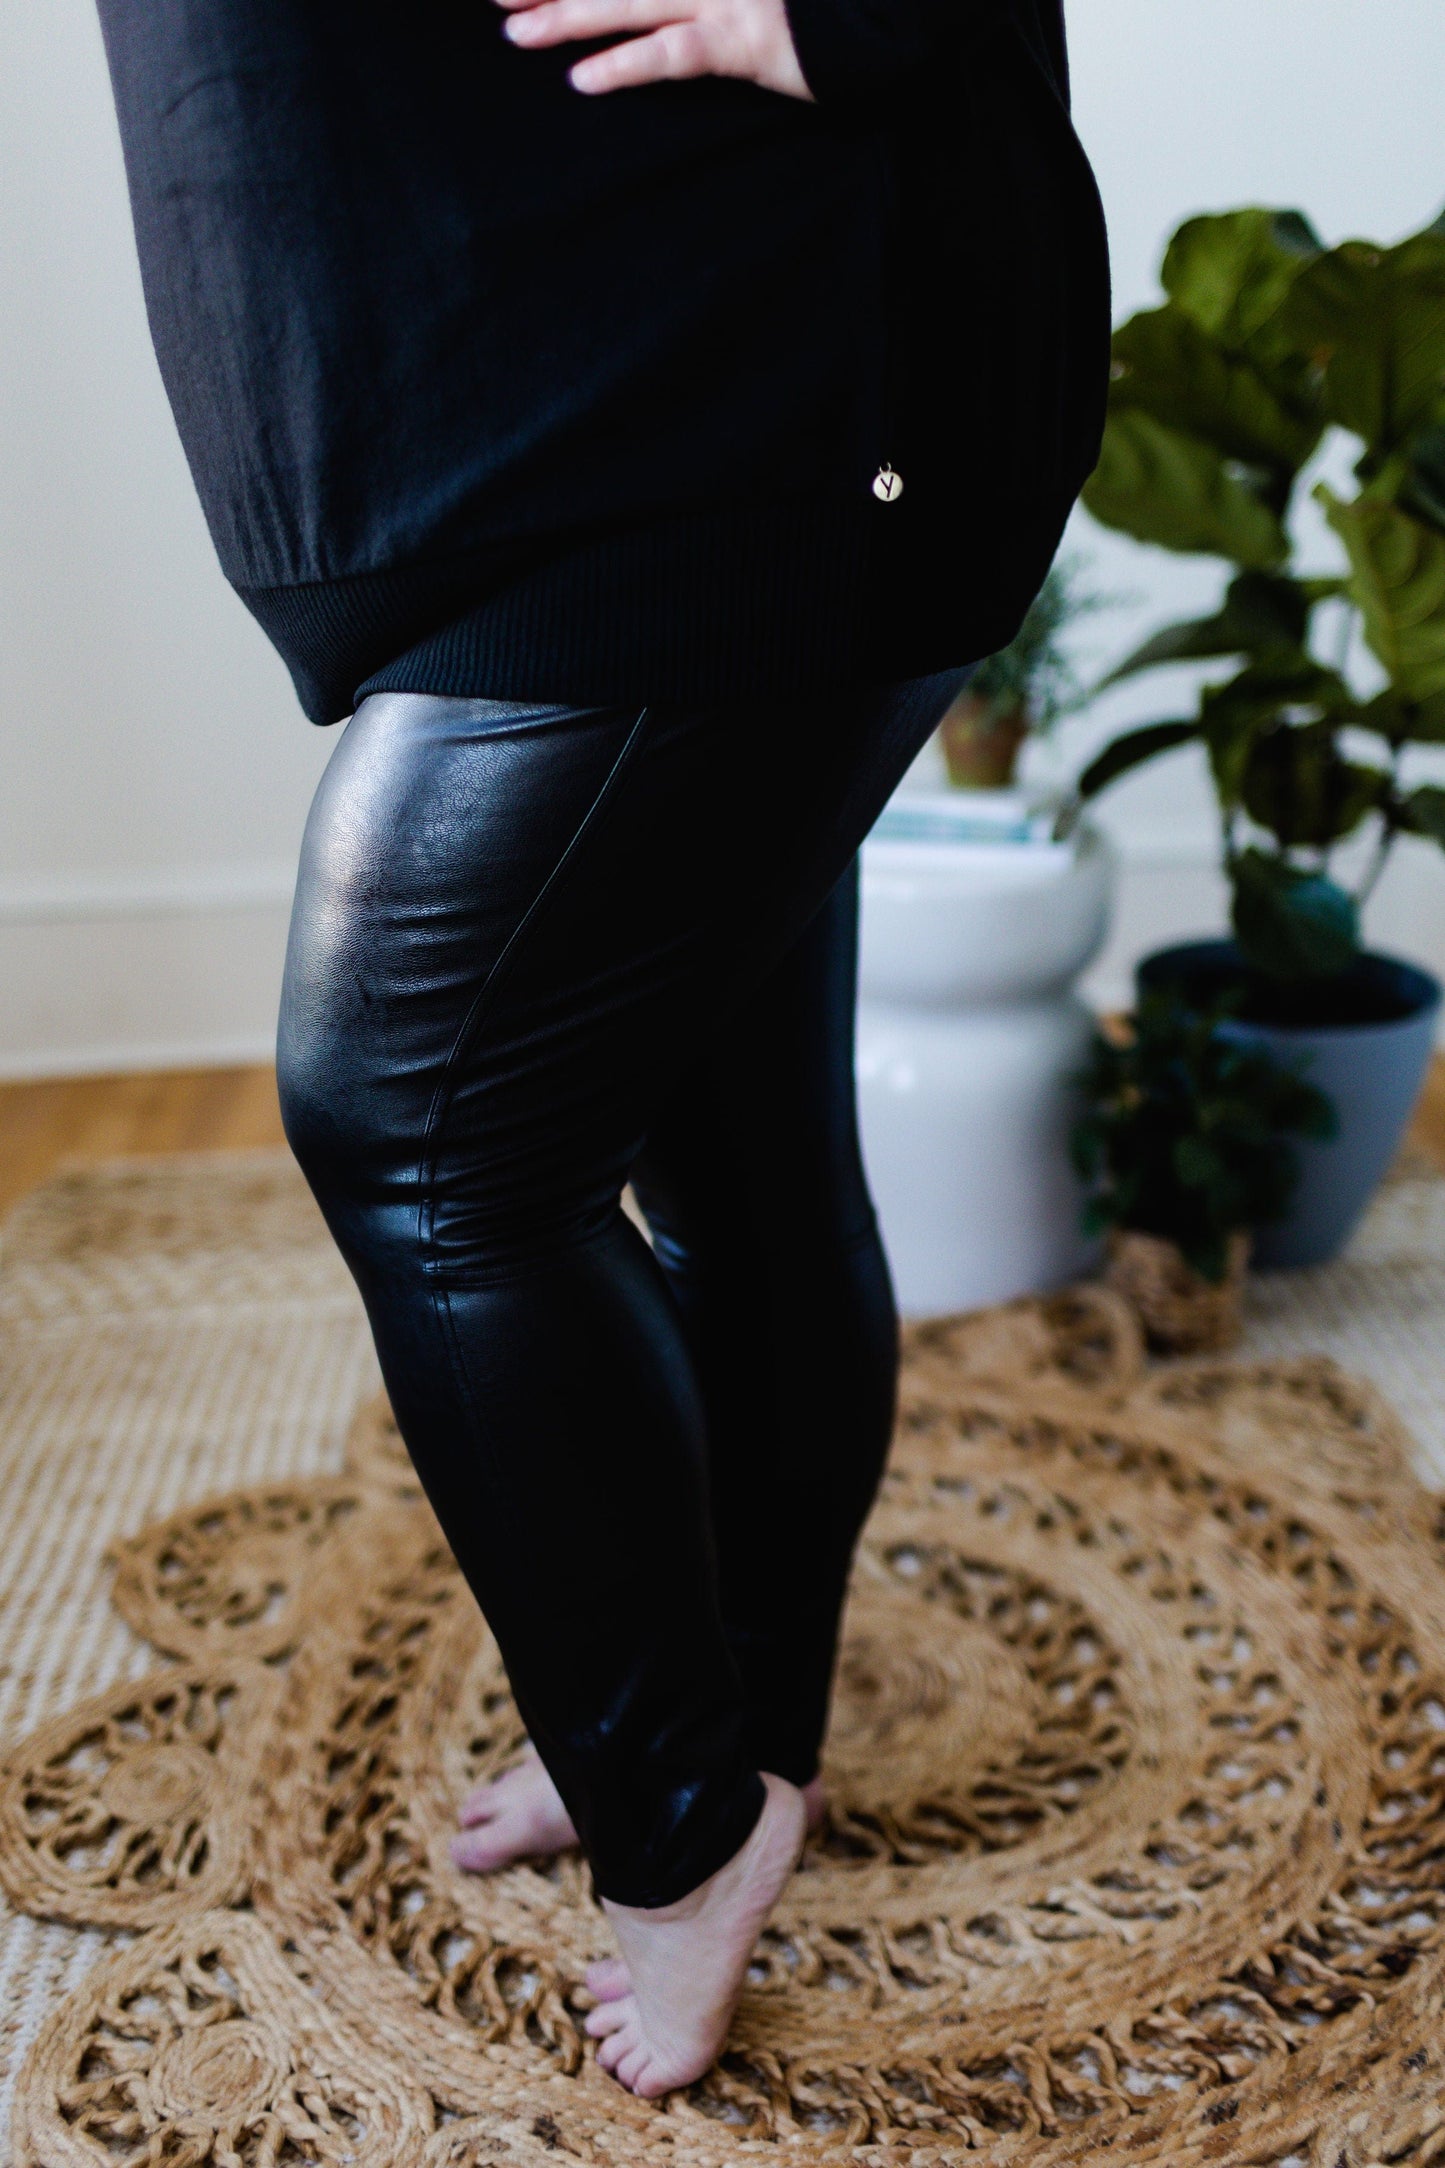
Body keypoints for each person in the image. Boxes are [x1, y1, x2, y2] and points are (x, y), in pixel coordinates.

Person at [96, 0, 1108, 2099]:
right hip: (565, 382)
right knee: (723, 1133)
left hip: (725, 377)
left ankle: (687, 1820)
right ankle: (743, 1731)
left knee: (426, 1135)